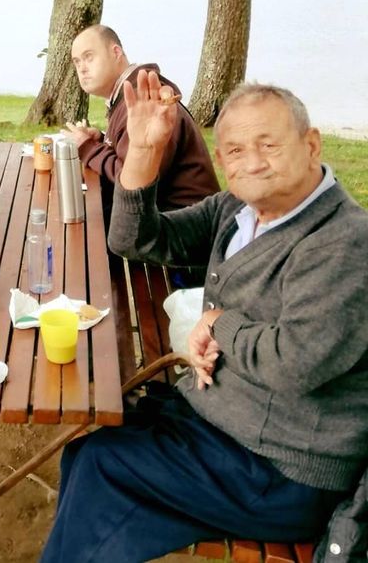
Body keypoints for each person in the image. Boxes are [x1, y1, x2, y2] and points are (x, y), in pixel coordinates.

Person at [40, 75, 368, 562]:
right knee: (86, 454)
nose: (251, 161)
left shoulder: (344, 241)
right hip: (220, 423)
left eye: (268, 144)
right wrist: (144, 153)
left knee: (105, 467)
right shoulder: (240, 210)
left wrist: (217, 323)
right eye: (234, 150)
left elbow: (296, 362)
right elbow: (136, 241)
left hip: (282, 467)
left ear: (311, 144)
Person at [63, 24, 219, 220]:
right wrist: (102, 140)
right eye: (77, 62)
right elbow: (131, 156)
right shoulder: (126, 96)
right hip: (163, 221)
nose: (82, 69)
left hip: (187, 227)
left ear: (116, 52)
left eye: (89, 57)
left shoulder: (144, 101)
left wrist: (88, 148)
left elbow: (134, 182)